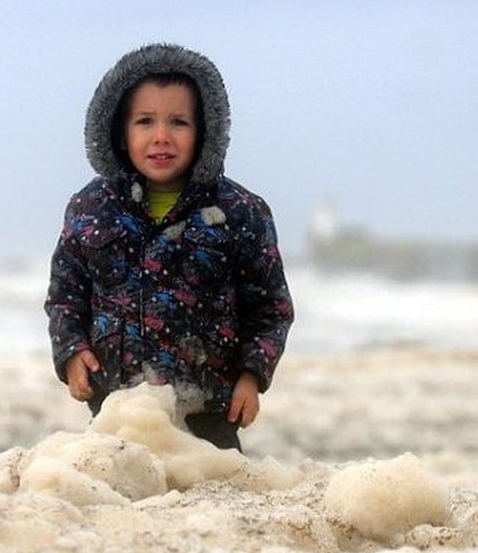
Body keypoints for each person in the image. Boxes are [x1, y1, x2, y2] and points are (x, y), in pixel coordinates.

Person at [45, 43, 294, 451]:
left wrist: (253, 376)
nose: (161, 137)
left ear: (205, 132)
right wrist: (72, 352)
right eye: (145, 122)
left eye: (178, 122)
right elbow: (65, 297)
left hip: (210, 411)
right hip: (118, 408)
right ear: (119, 133)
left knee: (208, 507)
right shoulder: (89, 209)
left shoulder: (240, 212)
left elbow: (270, 308)